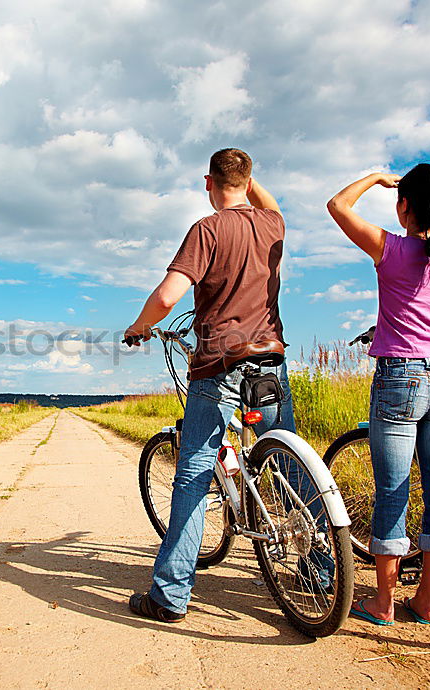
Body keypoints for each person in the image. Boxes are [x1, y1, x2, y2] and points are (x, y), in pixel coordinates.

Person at [123, 148, 295, 623]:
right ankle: (321, 569)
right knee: (291, 462)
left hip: (218, 362)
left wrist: (139, 325)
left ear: (207, 182)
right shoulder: (272, 225)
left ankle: (170, 595)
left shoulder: (207, 229)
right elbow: (272, 204)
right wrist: (252, 179)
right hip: (270, 361)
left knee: (193, 475)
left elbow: (166, 296)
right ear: (250, 180)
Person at [326, 163, 430, 626]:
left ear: (405, 205)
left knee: (392, 492)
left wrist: (375, 177)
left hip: (401, 378)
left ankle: (383, 604)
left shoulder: (393, 250)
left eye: (398, 199)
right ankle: (424, 601)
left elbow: (337, 206)